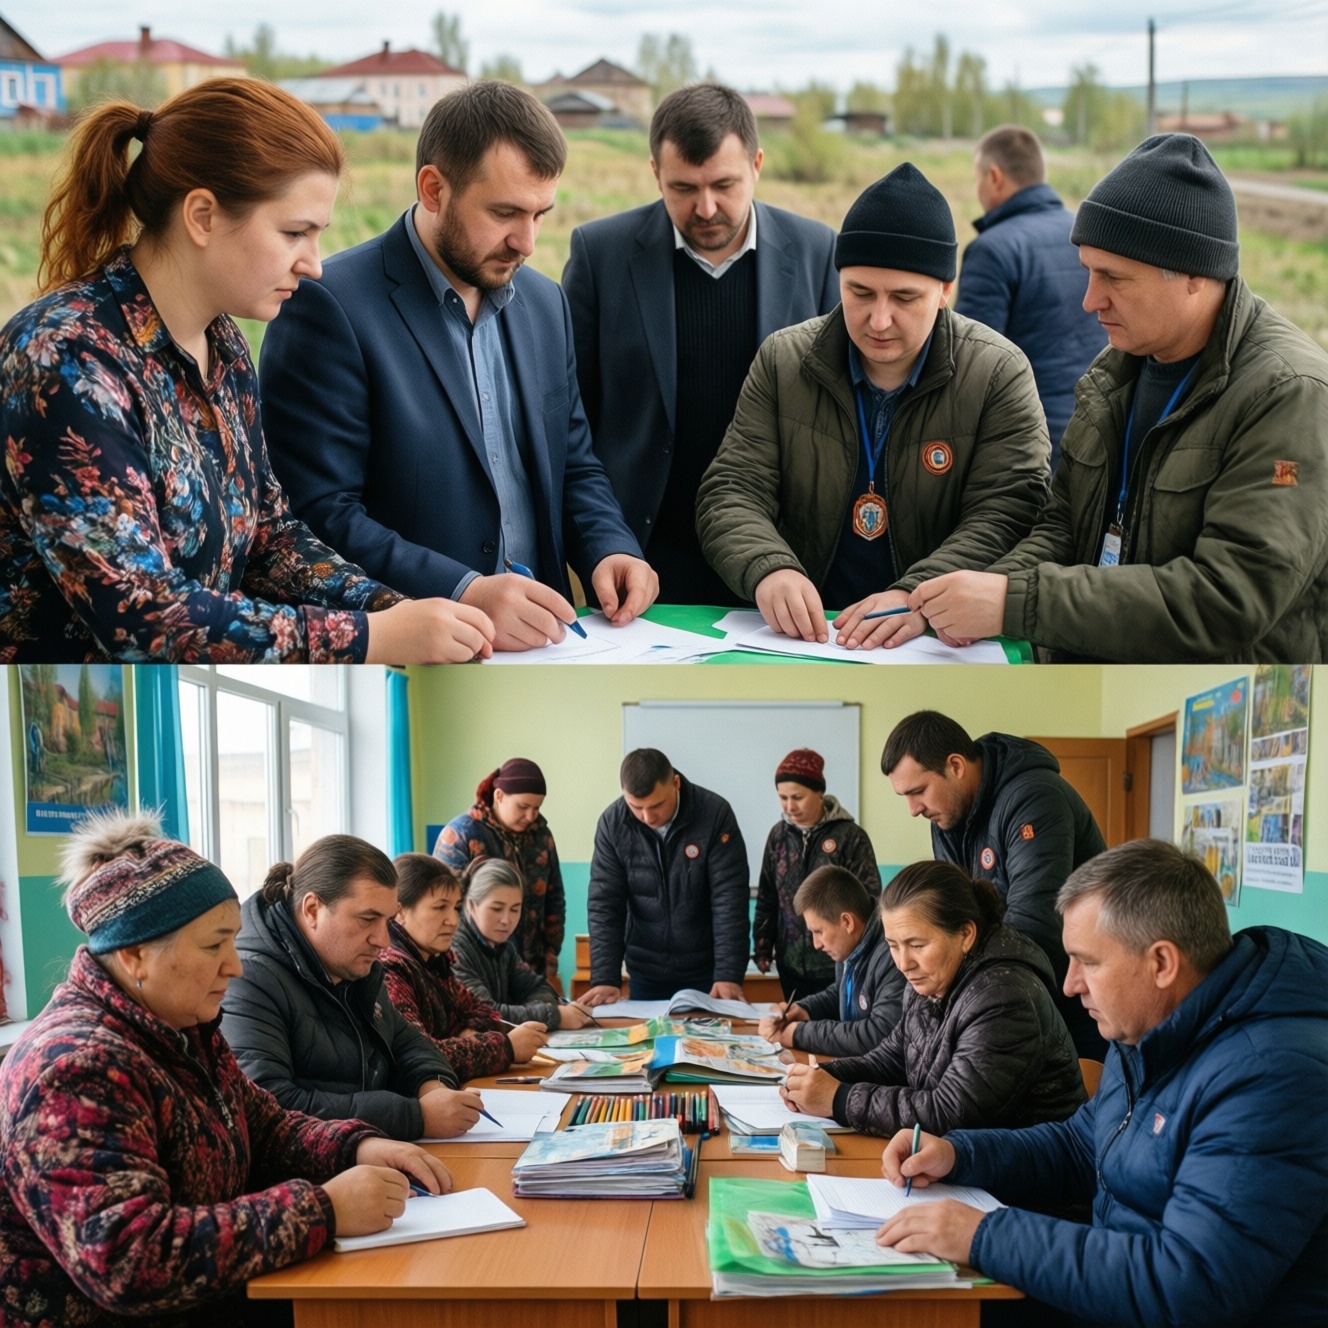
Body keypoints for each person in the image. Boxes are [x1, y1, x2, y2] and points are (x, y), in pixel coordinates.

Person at [0, 78, 493, 664]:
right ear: (203, 216)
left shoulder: (225, 343)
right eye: (293, 233)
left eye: (318, 235)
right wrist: (372, 638)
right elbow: (142, 615)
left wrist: (406, 613)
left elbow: (270, 538)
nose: (313, 265)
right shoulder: (65, 357)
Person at [0, 811, 452, 1325]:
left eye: (233, 940)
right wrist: (321, 1209)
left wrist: (358, 1145)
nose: (234, 966)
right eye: (214, 945)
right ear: (134, 956)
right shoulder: (75, 1068)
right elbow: (130, 1259)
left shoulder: (183, 1027)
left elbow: (265, 1125)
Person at [259, 79, 658, 653]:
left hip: (550, 651)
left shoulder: (546, 304)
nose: (526, 241)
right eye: (505, 213)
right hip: (407, 656)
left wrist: (610, 547)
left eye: (541, 214)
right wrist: (462, 589)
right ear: (433, 188)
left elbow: (573, 464)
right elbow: (317, 515)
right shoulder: (328, 306)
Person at [912, 133, 1328, 664]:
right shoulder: (1114, 373)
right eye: (1088, 271)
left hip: (1214, 716)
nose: (1091, 300)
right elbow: (1062, 526)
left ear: (1195, 275)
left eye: (1113, 277)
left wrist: (1016, 603)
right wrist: (957, 599)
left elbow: (1227, 598)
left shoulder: (1289, 395)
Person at [877, 840, 1328, 1328]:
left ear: (1161, 964)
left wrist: (986, 1235)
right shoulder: (1147, 1025)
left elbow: (1190, 1286)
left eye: (1087, 962)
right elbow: (1079, 1144)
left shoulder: (1270, 1075)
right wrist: (959, 1155)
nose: (1070, 984)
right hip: (1114, 1285)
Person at [695, 161, 1050, 651]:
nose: (878, 320)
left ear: (946, 291)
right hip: (808, 636)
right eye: (860, 293)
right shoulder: (784, 360)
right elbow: (732, 489)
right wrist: (768, 568)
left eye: (905, 298)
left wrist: (917, 595)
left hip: (934, 639)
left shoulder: (997, 373)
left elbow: (1010, 511)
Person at [562, 83, 838, 604]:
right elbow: (571, 416)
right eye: (684, 188)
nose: (706, 207)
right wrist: (599, 543)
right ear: (654, 174)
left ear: (757, 164)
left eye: (724, 185)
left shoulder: (816, 251)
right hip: (639, 556)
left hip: (778, 558)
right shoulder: (600, 255)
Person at [781, 861, 1085, 1138]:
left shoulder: (1005, 996)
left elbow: (950, 1112)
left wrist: (838, 1098)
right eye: (893, 946)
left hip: (1016, 1188)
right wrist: (820, 1078)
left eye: (916, 944)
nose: (903, 963)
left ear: (966, 934)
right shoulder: (929, 980)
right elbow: (890, 1060)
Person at [222, 835, 485, 1141]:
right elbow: (271, 1107)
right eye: (367, 919)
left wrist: (432, 1088)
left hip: (364, 1156)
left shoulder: (352, 963)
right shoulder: (249, 978)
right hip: (316, 1177)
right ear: (312, 909)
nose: (383, 940)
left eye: (387, 921)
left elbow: (407, 1040)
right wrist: (415, 1117)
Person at [882, 710, 1107, 1059]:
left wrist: (964, 993)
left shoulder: (1034, 797)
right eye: (905, 797)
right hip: (1007, 997)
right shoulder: (948, 818)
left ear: (956, 766)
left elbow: (1036, 925)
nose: (913, 809)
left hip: (1074, 1005)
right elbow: (950, 918)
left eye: (919, 791)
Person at [955, 125, 1107, 466]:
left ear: (994, 176)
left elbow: (971, 371)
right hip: (1099, 438)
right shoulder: (1085, 235)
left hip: (1029, 447)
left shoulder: (992, 251)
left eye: (977, 178)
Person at [582, 748, 751, 1005]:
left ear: (676, 783)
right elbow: (605, 905)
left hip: (707, 971)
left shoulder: (715, 814)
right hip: (645, 970)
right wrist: (605, 978)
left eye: (656, 805)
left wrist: (728, 974)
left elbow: (729, 898)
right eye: (636, 807)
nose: (647, 817)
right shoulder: (612, 824)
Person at [380, 854, 548, 1082]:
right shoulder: (390, 970)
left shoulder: (437, 960)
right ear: (399, 912)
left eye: (455, 908)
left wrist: (466, 1035)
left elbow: (480, 1011)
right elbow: (420, 1054)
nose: (453, 920)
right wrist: (506, 1047)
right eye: (440, 908)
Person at [753, 747, 880, 1002]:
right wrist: (762, 944)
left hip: (838, 964)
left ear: (820, 793)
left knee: (833, 1034)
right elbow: (767, 895)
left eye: (797, 797)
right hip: (790, 965)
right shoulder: (778, 836)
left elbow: (871, 900)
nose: (790, 806)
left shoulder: (850, 837)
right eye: (783, 797)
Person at [433, 758, 565, 981]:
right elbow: (445, 905)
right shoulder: (460, 834)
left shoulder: (542, 836)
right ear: (499, 796)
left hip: (531, 966)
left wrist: (551, 953)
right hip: (475, 967)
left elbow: (554, 897)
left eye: (537, 808)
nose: (531, 816)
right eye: (523, 807)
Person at [758, 864, 906, 1058]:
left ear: (847, 922)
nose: (816, 944)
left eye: (818, 932)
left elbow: (878, 1034)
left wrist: (797, 1034)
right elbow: (841, 993)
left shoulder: (894, 955)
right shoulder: (850, 946)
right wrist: (804, 1010)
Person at [449, 858, 593, 1030]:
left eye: (515, 909)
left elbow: (537, 987)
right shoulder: (453, 950)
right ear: (470, 905)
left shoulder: (503, 946)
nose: (506, 920)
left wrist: (537, 1012)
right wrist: (555, 1016)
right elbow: (485, 1015)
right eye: (496, 909)